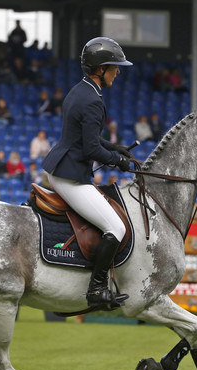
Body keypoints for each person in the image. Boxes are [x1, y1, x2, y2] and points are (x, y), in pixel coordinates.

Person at [41, 37, 134, 309]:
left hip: (60, 167)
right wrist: (118, 161)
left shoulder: (80, 90)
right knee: (116, 227)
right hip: (70, 176)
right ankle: (95, 289)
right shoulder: (93, 100)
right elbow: (91, 148)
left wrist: (114, 146)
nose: (118, 72)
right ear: (101, 68)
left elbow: (86, 138)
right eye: (115, 67)